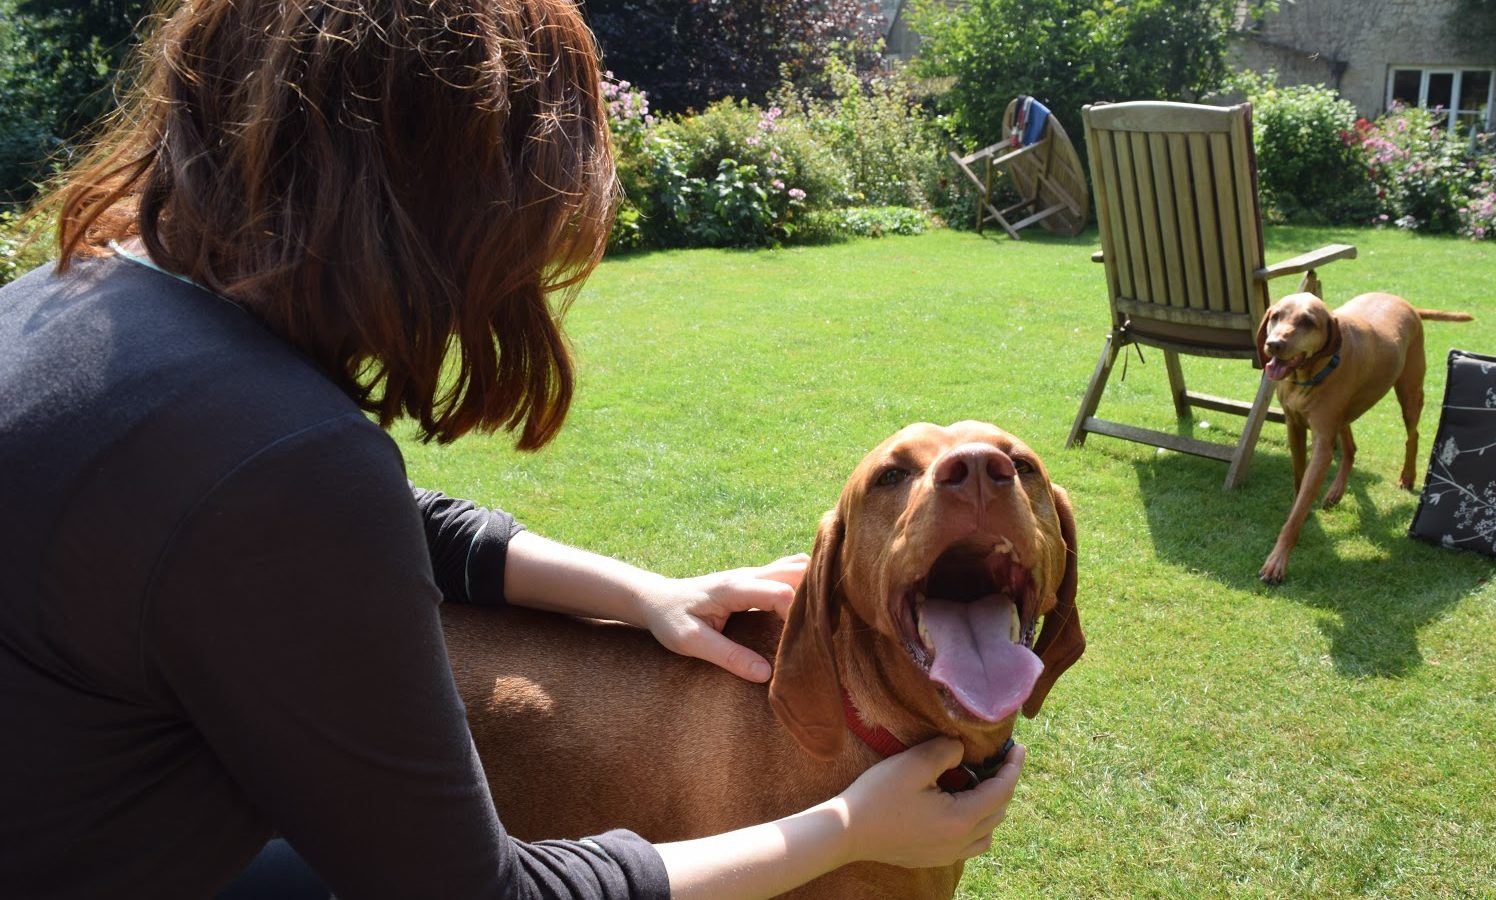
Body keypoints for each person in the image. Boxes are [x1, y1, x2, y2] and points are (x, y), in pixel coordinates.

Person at [0, 1, 1025, 898]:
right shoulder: (279, 461)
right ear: (440, 206)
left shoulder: (70, 305)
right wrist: (846, 827)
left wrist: (643, 595)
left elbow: (368, 524)